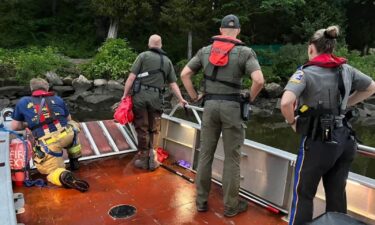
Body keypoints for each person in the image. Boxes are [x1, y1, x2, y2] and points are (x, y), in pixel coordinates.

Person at [280, 25, 375, 225]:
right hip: (345, 142)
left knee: (304, 192)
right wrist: (346, 103)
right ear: (331, 47)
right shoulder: (347, 69)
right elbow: (371, 87)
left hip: (318, 142)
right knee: (337, 193)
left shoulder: (306, 72)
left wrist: (292, 122)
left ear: (311, 48)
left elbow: (286, 102)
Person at [180, 14, 265, 217]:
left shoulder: (205, 51)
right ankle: (230, 206)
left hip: (209, 106)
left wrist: (194, 97)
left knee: (205, 155)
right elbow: (259, 81)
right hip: (232, 108)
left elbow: (184, 74)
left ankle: (200, 202)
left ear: (220, 31)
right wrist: (249, 99)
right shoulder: (245, 52)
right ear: (238, 31)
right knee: (232, 159)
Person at [11, 78, 89, 192]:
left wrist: (29, 124)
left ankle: (63, 176)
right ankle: (74, 158)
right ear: (47, 88)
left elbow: (15, 127)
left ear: (32, 89)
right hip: (67, 136)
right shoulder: (57, 98)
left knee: (52, 171)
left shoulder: (23, 102)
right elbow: (68, 119)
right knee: (73, 125)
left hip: (49, 145)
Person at [122, 34, 187, 171]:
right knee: (154, 128)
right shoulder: (167, 61)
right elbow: (173, 84)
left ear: (149, 44)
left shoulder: (143, 56)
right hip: (157, 99)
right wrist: (181, 99)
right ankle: (153, 158)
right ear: (161, 45)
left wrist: (124, 95)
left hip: (140, 97)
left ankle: (143, 158)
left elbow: (131, 78)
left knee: (142, 127)